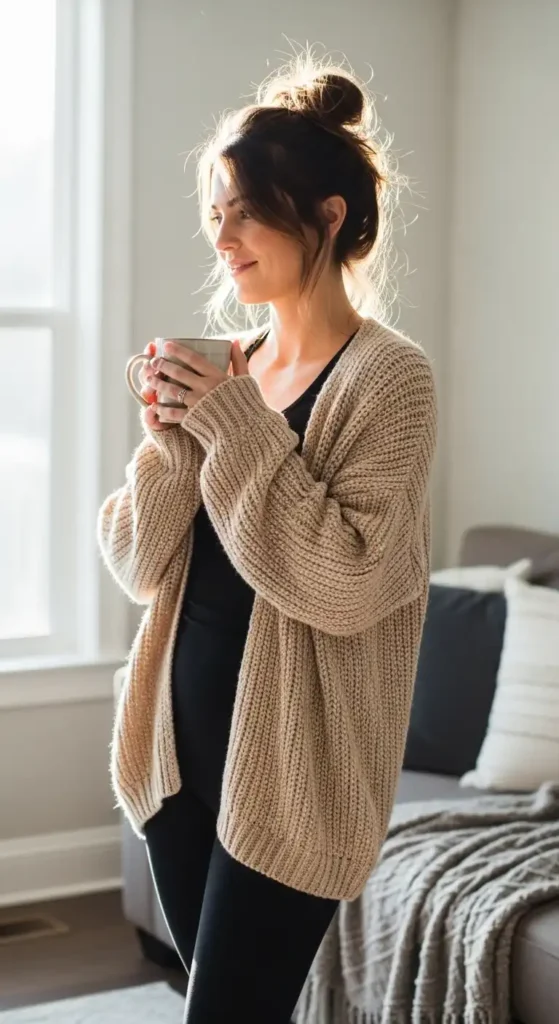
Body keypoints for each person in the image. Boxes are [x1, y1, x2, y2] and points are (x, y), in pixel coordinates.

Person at [98, 53, 437, 1024]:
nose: (222, 238)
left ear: (326, 216)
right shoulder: (230, 366)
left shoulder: (388, 379)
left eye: (245, 212)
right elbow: (136, 564)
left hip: (296, 771)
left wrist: (230, 424)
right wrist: (172, 439)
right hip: (171, 750)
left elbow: (345, 580)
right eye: (216, 214)